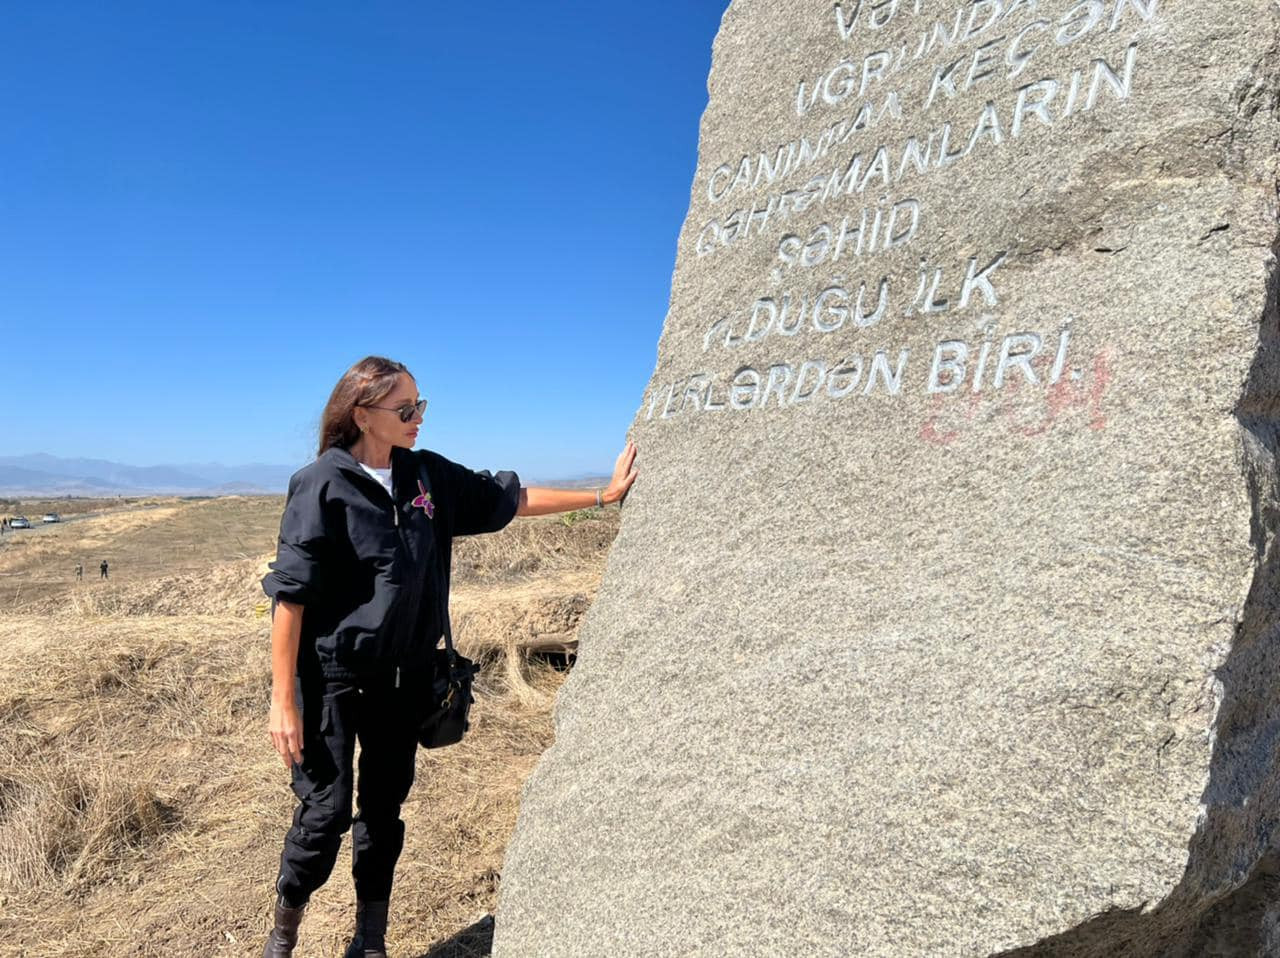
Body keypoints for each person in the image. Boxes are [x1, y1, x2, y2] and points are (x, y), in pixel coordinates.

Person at [259, 356, 637, 958]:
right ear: (363, 415)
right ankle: (283, 934)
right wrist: (284, 702)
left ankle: (370, 941)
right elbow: (290, 600)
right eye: (404, 410)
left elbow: (505, 498)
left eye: (420, 406)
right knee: (325, 815)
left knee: (384, 810)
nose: (417, 420)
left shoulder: (426, 476)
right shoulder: (321, 483)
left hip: (403, 678)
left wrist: (603, 495)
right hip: (330, 680)